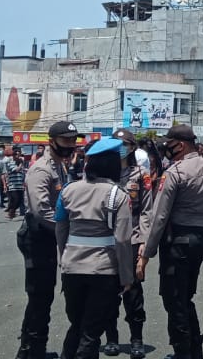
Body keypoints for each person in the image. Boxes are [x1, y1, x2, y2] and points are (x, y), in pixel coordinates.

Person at [136, 125, 203, 359]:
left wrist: (146, 253)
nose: (166, 147)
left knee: (174, 299)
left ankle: (183, 351)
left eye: (170, 143)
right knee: (185, 297)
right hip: (197, 240)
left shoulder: (175, 172)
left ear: (182, 144)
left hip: (176, 241)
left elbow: (159, 216)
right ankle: (193, 348)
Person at [55, 137, 135, 359]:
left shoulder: (68, 190)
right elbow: (122, 240)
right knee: (90, 333)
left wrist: (65, 258)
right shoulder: (118, 195)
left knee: (76, 325)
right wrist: (127, 277)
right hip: (103, 271)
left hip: (72, 269)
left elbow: (61, 229)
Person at [15, 122, 81, 359]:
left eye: (73, 140)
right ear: (52, 141)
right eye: (66, 141)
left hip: (47, 235)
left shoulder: (60, 166)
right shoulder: (42, 169)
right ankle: (32, 350)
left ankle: (32, 349)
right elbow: (40, 210)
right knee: (40, 296)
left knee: (43, 295)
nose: (71, 145)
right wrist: (66, 230)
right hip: (37, 235)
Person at [105, 129, 150, 359]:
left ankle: (136, 339)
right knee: (108, 292)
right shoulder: (103, 173)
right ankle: (111, 338)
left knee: (133, 292)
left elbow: (146, 210)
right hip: (107, 240)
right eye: (116, 143)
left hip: (132, 239)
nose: (120, 147)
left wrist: (144, 241)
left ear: (133, 147)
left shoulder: (141, 174)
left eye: (124, 144)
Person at [5, 151, 28, 219]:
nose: (18, 156)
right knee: (16, 199)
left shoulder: (20, 163)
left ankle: (12, 212)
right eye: (16, 155)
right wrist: (21, 164)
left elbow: (22, 172)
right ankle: (11, 212)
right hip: (13, 185)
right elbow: (16, 170)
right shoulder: (10, 162)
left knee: (20, 200)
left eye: (19, 155)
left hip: (20, 185)